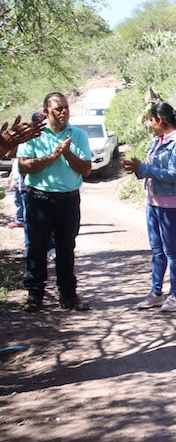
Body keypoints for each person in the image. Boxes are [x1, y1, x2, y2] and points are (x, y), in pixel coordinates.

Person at [17, 92, 93, 312]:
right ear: (46, 111)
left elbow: (86, 169)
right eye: (59, 108)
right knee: (36, 248)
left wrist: (67, 153)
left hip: (68, 200)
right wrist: (53, 155)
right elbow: (24, 166)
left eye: (66, 108)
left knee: (66, 248)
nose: (64, 112)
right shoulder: (34, 134)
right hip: (39, 198)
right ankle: (34, 296)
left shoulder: (77, 135)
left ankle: (68, 296)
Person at [123, 102, 176, 313]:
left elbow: (173, 175)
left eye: (151, 120)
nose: (150, 124)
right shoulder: (157, 140)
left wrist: (144, 168)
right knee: (157, 251)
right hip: (153, 204)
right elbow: (151, 169)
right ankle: (156, 292)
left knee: (172, 252)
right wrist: (137, 169)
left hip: (172, 205)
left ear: (160, 120)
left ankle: (174, 295)